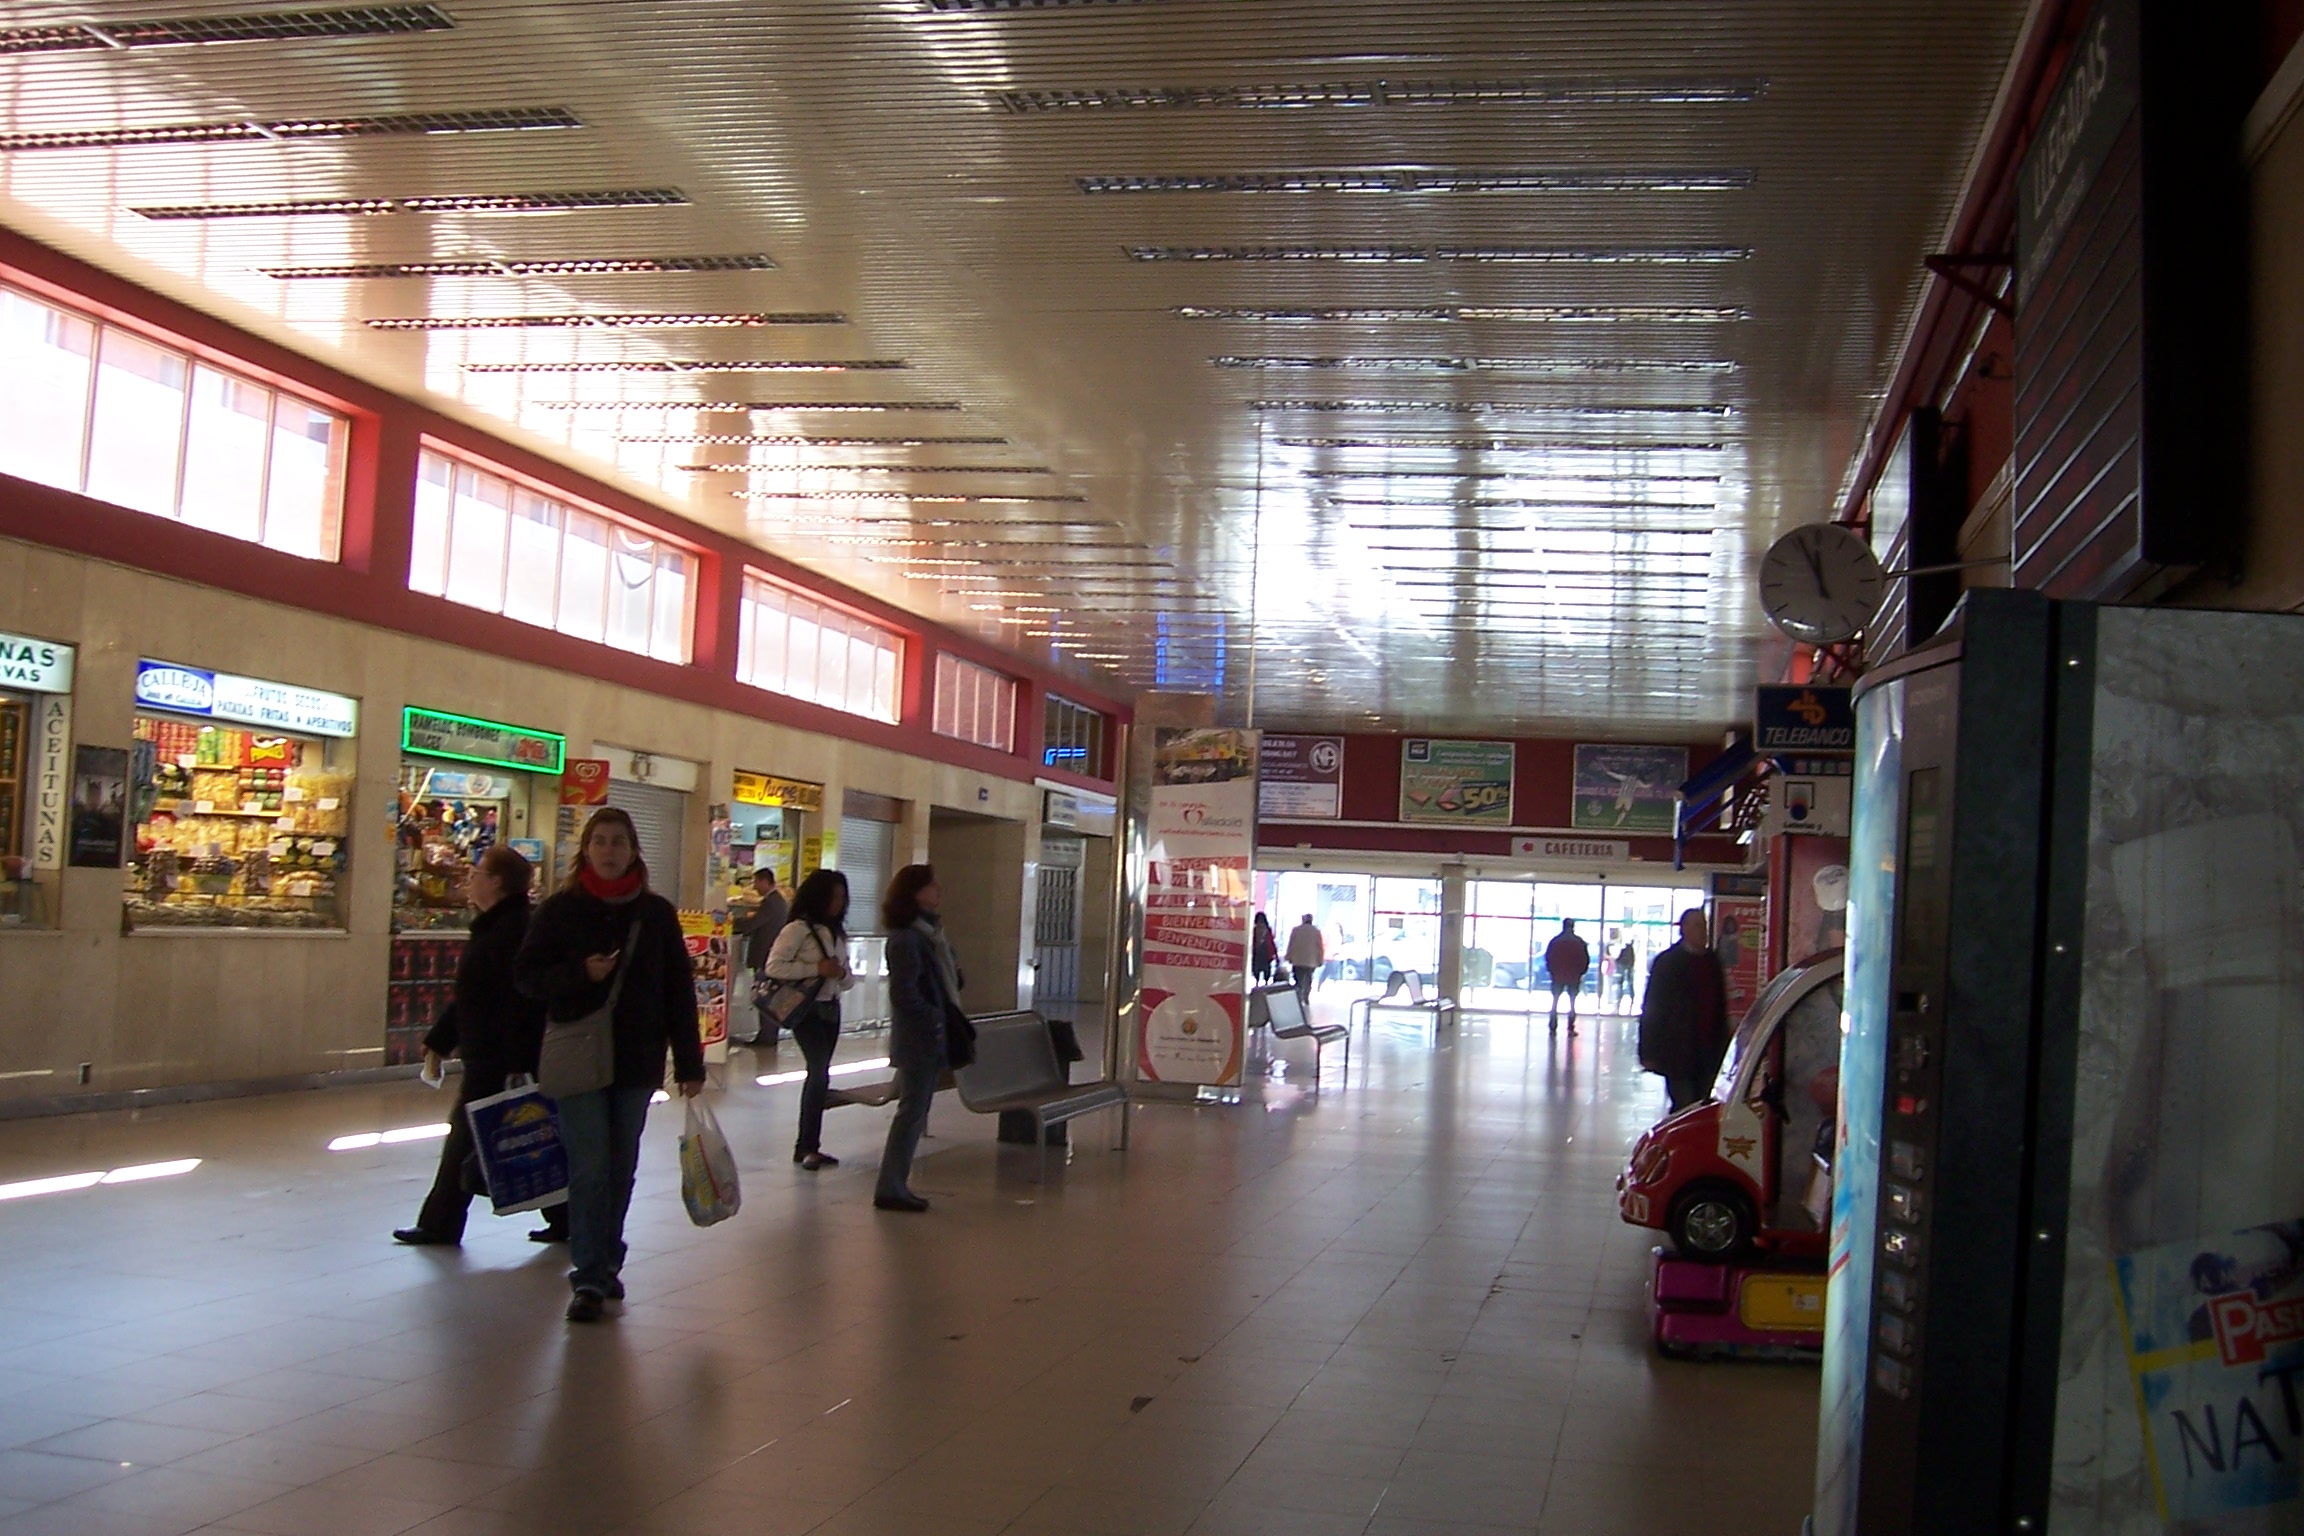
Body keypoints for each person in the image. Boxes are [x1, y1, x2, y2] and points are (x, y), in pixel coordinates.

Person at [515, 807, 704, 1323]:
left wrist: (690, 1061)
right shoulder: (559, 911)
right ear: (587, 849)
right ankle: (589, 1276)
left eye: (619, 841)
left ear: (633, 849)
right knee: (591, 1166)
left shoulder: (656, 914)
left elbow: (678, 992)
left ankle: (607, 1258)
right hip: (579, 1056)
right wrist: (580, 974)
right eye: (600, 841)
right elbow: (527, 978)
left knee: (620, 1166)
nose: (609, 850)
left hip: (636, 1059)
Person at [394, 845, 566, 1247]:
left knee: (469, 1138)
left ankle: (440, 1223)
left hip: (499, 1056)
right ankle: (565, 1217)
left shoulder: (512, 931)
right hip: (491, 1053)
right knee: (518, 1133)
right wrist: (441, 1038)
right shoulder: (496, 926)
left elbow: (511, 999)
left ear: (497, 882)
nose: (470, 878)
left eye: (477, 872)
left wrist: (511, 1055)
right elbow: (473, 995)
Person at [876, 864, 971, 1213]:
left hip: (932, 1034)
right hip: (920, 1037)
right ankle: (891, 1186)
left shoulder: (932, 935)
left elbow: (949, 982)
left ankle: (895, 1183)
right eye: (932, 886)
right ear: (915, 893)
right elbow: (905, 995)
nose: (939, 891)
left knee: (916, 1109)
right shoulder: (907, 938)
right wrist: (934, 1019)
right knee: (911, 1111)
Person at [760, 869, 853, 1171]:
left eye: (842, 897)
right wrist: (817, 968)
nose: (839, 903)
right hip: (808, 1011)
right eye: (834, 896)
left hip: (831, 1008)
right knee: (818, 1072)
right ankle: (806, 1147)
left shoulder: (838, 933)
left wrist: (839, 974)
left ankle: (809, 1145)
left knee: (821, 1073)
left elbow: (847, 977)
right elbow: (774, 966)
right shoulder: (798, 929)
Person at [1638, 907, 1731, 1116]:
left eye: (1705, 925)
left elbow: (1720, 1005)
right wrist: (1648, 1051)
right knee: (1684, 1104)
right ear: (1684, 930)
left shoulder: (1712, 962)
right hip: (1679, 1050)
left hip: (1709, 1049)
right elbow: (1653, 1007)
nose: (1703, 931)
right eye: (1698, 925)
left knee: (1703, 1105)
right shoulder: (1668, 963)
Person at [730, 869, 789, 1046]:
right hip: (772, 956)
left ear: (765, 881)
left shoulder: (771, 903)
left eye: (756, 882)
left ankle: (767, 1036)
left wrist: (729, 923)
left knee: (766, 996)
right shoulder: (778, 901)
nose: (754, 887)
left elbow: (753, 924)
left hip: (766, 956)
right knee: (768, 996)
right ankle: (767, 1034)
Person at [1544, 919, 1591, 1036]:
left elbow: (1549, 958)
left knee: (1555, 1001)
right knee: (1572, 1003)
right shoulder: (1579, 942)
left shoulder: (1555, 941)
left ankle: (1553, 1025)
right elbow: (1585, 959)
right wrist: (1581, 972)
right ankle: (1570, 1027)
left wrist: (1552, 971)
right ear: (1573, 927)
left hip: (1558, 975)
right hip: (1573, 976)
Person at [1285, 913, 1324, 1008]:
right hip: (1311, 960)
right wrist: (1320, 959)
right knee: (1308, 978)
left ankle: (1298, 996)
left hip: (1298, 960)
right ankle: (1306, 996)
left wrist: (1289, 957)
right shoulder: (1316, 931)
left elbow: (1291, 944)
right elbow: (1319, 947)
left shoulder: (1296, 930)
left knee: (1298, 979)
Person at [1251, 912, 1278, 985]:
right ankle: (1265, 983)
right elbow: (1271, 942)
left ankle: (1257, 982)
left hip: (1257, 952)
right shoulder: (1267, 929)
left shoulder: (1254, 930)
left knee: (1257, 968)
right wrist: (1275, 954)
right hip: (1266, 952)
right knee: (1266, 969)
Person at [1615, 938, 1638, 1008]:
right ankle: (1631, 999)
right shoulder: (1630, 949)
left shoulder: (1624, 949)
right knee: (1629, 984)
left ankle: (1619, 1000)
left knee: (1621, 984)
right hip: (1629, 967)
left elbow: (1619, 959)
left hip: (1624, 967)